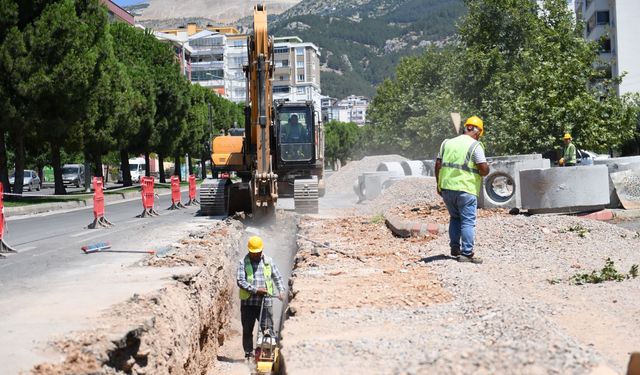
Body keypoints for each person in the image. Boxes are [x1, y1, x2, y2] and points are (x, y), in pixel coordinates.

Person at [435, 115, 490, 264]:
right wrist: (486, 168)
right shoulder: (475, 146)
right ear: (478, 132)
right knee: (467, 222)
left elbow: (438, 165)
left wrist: (439, 185)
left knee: (455, 218)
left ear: (467, 128)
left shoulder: (446, 143)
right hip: (466, 189)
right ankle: (466, 253)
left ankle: (454, 248)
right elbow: (484, 169)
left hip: (447, 188)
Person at [236, 236, 285, 359]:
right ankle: (248, 353)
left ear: (261, 250)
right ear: (249, 251)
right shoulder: (243, 262)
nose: (256, 255)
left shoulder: (268, 261)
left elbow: (277, 277)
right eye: (253, 253)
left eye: (258, 252)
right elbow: (240, 281)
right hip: (248, 303)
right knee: (247, 330)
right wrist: (256, 290)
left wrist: (282, 291)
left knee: (267, 329)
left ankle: (268, 353)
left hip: (266, 302)